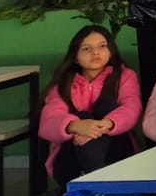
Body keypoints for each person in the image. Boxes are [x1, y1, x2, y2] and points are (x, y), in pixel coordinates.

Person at [39, 25, 141, 186]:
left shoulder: (124, 76)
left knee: (107, 105)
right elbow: (48, 120)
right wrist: (75, 126)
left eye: (102, 46)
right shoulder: (64, 84)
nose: (95, 53)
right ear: (75, 57)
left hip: (115, 157)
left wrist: (106, 124)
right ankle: (98, 183)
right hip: (72, 164)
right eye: (86, 48)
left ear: (111, 51)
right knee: (82, 116)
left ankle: (95, 182)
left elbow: (132, 108)